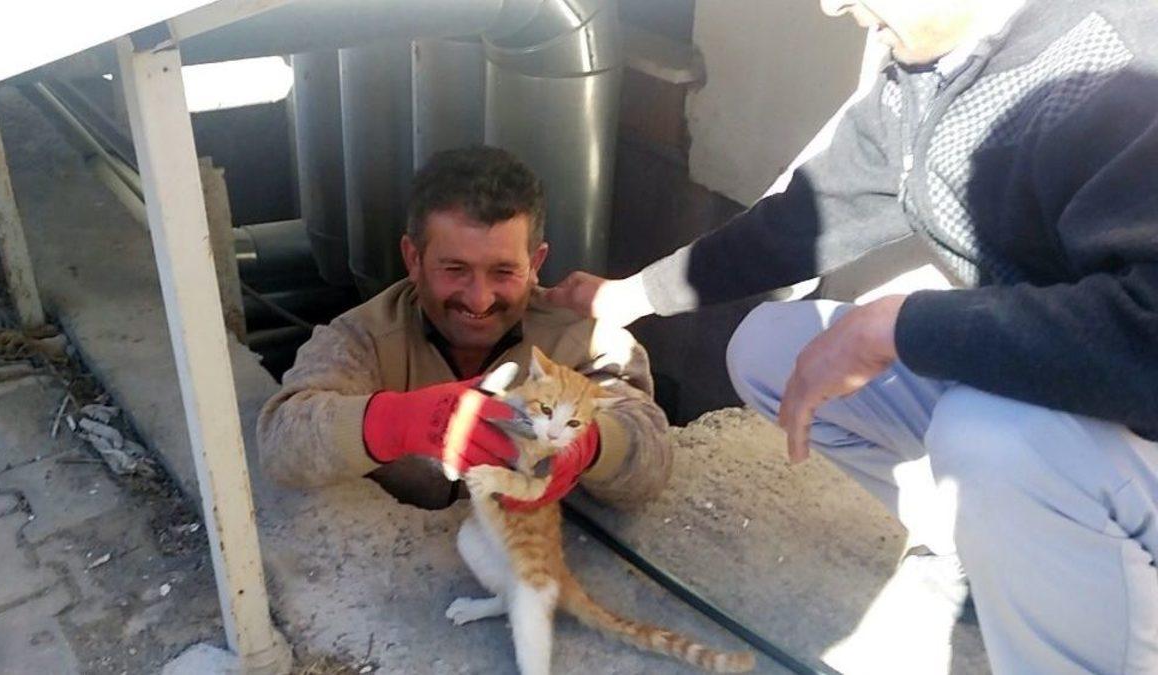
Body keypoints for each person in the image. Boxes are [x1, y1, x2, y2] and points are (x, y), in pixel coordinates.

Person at [544, 0, 1158, 671]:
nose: (832, 5)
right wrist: (633, 295)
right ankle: (976, 543)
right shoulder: (927, 66)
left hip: (1135, 412)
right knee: (770, 352)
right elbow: (807, 218)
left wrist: (904, 325)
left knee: (990, 438)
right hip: (1068, 387)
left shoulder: (1122, 62)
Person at [257, 145, 670, 512]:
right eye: (455, 269)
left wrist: (589, 445)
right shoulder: (364, 338)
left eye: (503, 271)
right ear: (413, 259)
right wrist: (398, 422)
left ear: (535, 264)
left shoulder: (585, 341)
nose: (479, 299)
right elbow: (280, 441)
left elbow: (651, 459)